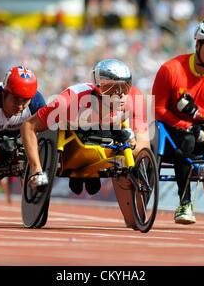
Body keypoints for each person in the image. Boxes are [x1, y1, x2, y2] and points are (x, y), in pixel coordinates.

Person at [21, 59, 150, 195]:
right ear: (101, 90)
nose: (123, 95)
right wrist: (36, 169)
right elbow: (28, 125)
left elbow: (143, 148)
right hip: (73, 138)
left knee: (93, 186)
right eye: (115, 89)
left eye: (126, 86)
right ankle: (78, 171)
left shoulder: (135, 98)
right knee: (81, 185)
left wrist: (133, 145)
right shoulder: (68, 101)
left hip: (106, 136)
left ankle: (89, 170)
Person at [152, 19, 204, 225]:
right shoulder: (171, 69)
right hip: (168, 130)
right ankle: (185, 202)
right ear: (197, 45)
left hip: (202, 129)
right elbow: (157, 110)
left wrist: (197, 113)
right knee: (187, 140)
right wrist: (187, 125)